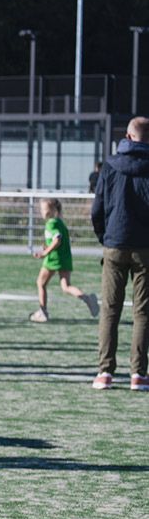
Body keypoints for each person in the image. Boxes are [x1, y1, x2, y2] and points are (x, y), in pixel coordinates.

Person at [91, 117, 149, 390]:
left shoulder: (111, 165)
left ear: (127, 135)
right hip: (145, 247)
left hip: (114, 243)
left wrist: (105, 236)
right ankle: (138, 373)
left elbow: (97, 208)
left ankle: (105, 372)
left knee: (110, 310)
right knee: (143, 312)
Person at [31, 197, 98, 323]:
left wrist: (45, 252)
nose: (41, 211)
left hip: (53, 259)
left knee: (40, 283)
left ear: (52, 210)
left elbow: (57, 239)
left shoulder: (51, 223)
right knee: (66, 286)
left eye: (44, 209)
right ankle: (87, 299)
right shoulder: (60, 222)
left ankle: (43, 312)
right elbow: (57, 240)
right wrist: (47, 245)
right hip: (65, 258)